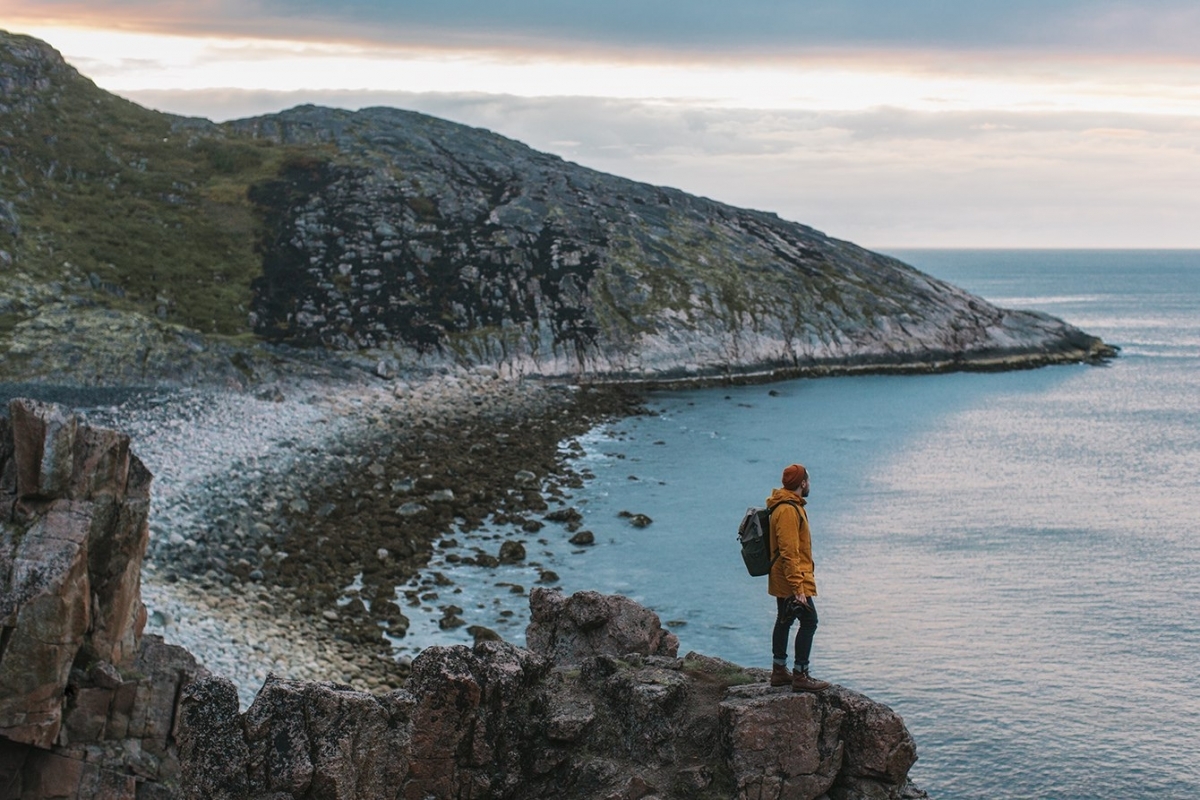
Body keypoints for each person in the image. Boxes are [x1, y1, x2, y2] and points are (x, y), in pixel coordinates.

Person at [768, 463, 831, 692]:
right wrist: (798, 587)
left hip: (784, 577)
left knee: (784, 620)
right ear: (802, 483)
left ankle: (779, 671)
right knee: (809, 621)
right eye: (808, 480)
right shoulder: (787, 511)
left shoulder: (788, 506)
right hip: (790, 579)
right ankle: (800, 674)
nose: (809, 484)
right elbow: (789, 552)